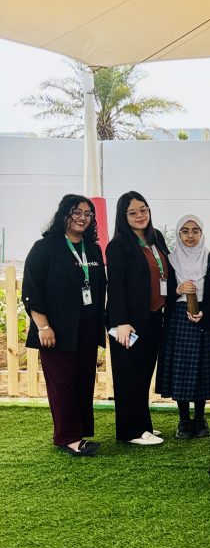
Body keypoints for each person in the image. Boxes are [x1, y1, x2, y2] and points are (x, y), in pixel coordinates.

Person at [22, 194, 107, 456]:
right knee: (63, 383)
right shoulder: (45, 247)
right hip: (56, 330)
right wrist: (43, 326)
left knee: (83, 381)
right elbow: (32, 289)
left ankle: (78, 433)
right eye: (77, 212)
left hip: (87, 326)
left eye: (88, 214)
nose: (83, 217)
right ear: (64, 215)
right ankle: (68, 437)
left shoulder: (92, 248)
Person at [106, 191, 170, 445]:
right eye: (132, 212)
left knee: (143, 375)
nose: (139, 215)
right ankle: (130, 432)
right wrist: (120, 321)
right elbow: (116, 287)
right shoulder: (118, 246)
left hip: (153, 317)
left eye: (143, 209)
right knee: (128, 376)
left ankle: (144, 426)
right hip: (128, 323)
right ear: (123, 217)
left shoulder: (157, 239)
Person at [157, 215, 210, 439]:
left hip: (203, 318)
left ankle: (200, 419)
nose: (190, 235)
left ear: (201, 233)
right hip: (178, 319)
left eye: (195, 231)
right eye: (185, 231)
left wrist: (204, 310)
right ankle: (183, 421)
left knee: (202, 370)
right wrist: (176, 290)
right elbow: (158, 291)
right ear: (179, 234)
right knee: (182, 370)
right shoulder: (168, 261)